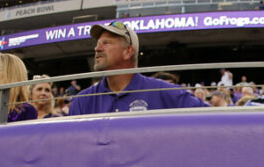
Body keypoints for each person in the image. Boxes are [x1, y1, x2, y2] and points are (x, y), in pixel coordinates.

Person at [68, 21, 206, 115]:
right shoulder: (82, 101)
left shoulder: (163, 92)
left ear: (128, 51)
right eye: (98, 43)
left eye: (106, 43)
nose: (97, 48)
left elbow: (214, 118)